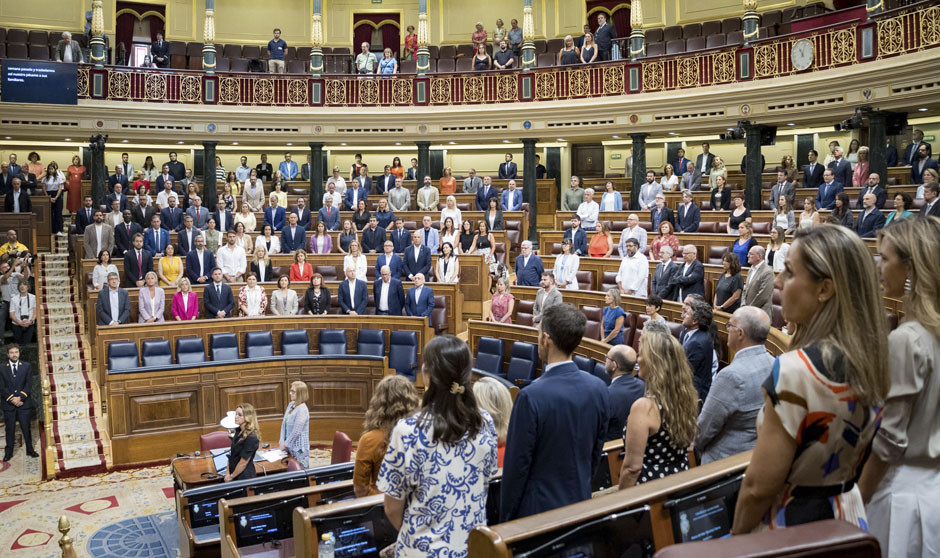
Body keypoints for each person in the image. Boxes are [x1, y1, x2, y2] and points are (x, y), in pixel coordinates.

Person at [732, 226, 889, 535]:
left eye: (790, 272)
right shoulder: (877, 360)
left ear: (824, 289)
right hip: (847, 515)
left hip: (793, 526)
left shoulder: (794, 370)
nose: (778, 281)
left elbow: (758, 489)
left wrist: (735, 540)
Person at [859, 218, 940, 557]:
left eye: (885, 258)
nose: (879, 266)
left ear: (910, 267)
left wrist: (856, 505)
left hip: (900, 498)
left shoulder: (907, 340)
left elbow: (889, 443)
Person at [378, 335, 498, 556]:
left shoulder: (407, 431)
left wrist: (419, 537)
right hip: (471, 548)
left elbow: (392, 507)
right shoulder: (485, 422)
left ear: (427, 374)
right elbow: (488, 478)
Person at [501, 304, 609, 520]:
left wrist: (505, 520)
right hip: (580, 504)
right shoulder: (599, 388)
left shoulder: (530, 396)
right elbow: (595, 455)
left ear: (546, 339)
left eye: (538, 333)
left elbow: (516, 468)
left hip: (538, 514)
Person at [617, 330, 698, 487]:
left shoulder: (644, 407)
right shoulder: (687, 398)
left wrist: (621, 499)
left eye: (640, 355)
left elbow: (632, 469)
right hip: (681, 483)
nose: (637, 360)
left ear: (653, 363)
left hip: (652, 490)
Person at [696, 306, 773, 464]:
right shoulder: (775, 363)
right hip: (756, 456)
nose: (727, 330)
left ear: (740, 333)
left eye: (729, 325)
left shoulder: (730, 376)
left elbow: (702, 432)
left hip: (724, 463)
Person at [355, 375, 419, 497]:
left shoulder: (370, 439)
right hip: (417, 503)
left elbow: (360, 491)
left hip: (381, 504)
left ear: (378, 402)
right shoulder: (423, 435)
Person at [1, 344, 37, 461]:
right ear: (8, 354)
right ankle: (9, 452)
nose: (14, 354)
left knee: (26, 428)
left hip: (24, 404)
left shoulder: (26, 366)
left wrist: (20, 398)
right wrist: (12, 399)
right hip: (9, 404)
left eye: (16, 352)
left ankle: (30, 450)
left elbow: (29, 384)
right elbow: (2, 387)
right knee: (10, 429)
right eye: (12, 352)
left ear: (19, 353)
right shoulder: (2, 367)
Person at [603, 344, 643, 441]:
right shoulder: (643, 386)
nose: (605, 361)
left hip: (609, 447)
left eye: (607, 358)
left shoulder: (608, 394)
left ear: (614, 365)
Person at [681, 297, 715, 403]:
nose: (683, 315)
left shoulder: (696, 343)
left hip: (694, 395)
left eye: (687, 314)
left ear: (695, 321)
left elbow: (685, 372)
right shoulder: (693, 333)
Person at [224, 403, 261, 482]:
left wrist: (231, 476)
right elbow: (231, 454)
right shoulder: (238, 431)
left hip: (244, 477)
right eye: (236, 414)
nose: (236, 416)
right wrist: (227, 473)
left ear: (248, 417)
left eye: (239, 415)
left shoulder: (251, 437)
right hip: (233, 473)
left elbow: (243, 463)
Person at [42, 163, 65, 235]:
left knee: (58, 213)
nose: (50, 170)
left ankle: (59, 230)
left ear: (55, 170)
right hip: (48, 195)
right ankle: (52, 230)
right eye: (49, 169)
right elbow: (44, 188)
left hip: (57, 195)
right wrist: (48, 197)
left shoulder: (58, 178)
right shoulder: (45, 178)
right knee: (50, 213)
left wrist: (56, 197)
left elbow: (60, 188)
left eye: (52, 169)